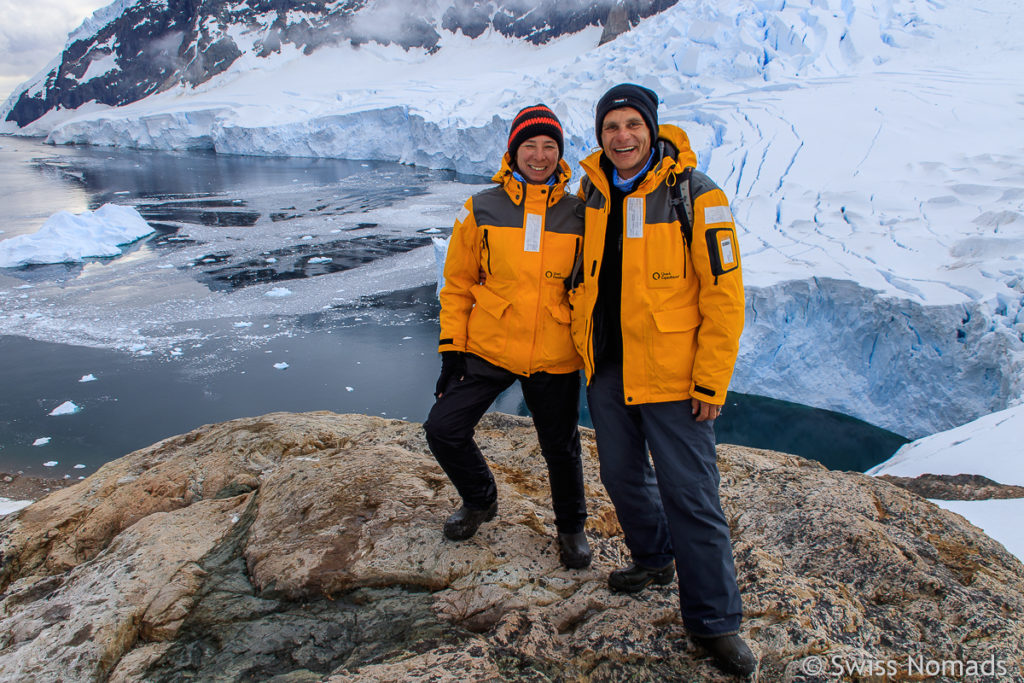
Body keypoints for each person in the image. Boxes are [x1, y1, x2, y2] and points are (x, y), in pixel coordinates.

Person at [567, 84, 755, 676]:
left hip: (673, 376)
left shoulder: (696, 195)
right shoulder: (592, 192)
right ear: (600, 136)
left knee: (692, 498)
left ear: (651, 129)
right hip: (609, 367)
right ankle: (652, 558)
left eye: (632, 125)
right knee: (621, 476)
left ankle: (714, 622)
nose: (622, 137)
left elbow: (725, 297)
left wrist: (710, 382)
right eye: (611, 127)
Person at [424, 104, 591, 569]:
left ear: (560, 154)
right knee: (443, 429)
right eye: (530, 146)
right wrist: (451, 349)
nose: (538, 156)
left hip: (554, 351)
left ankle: (571, 527)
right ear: (514, 151)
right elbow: (457, 284)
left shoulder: (580, 213)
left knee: (561, 447)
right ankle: (480, 499)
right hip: (490, 345)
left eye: (549, 147)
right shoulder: (481, 208)